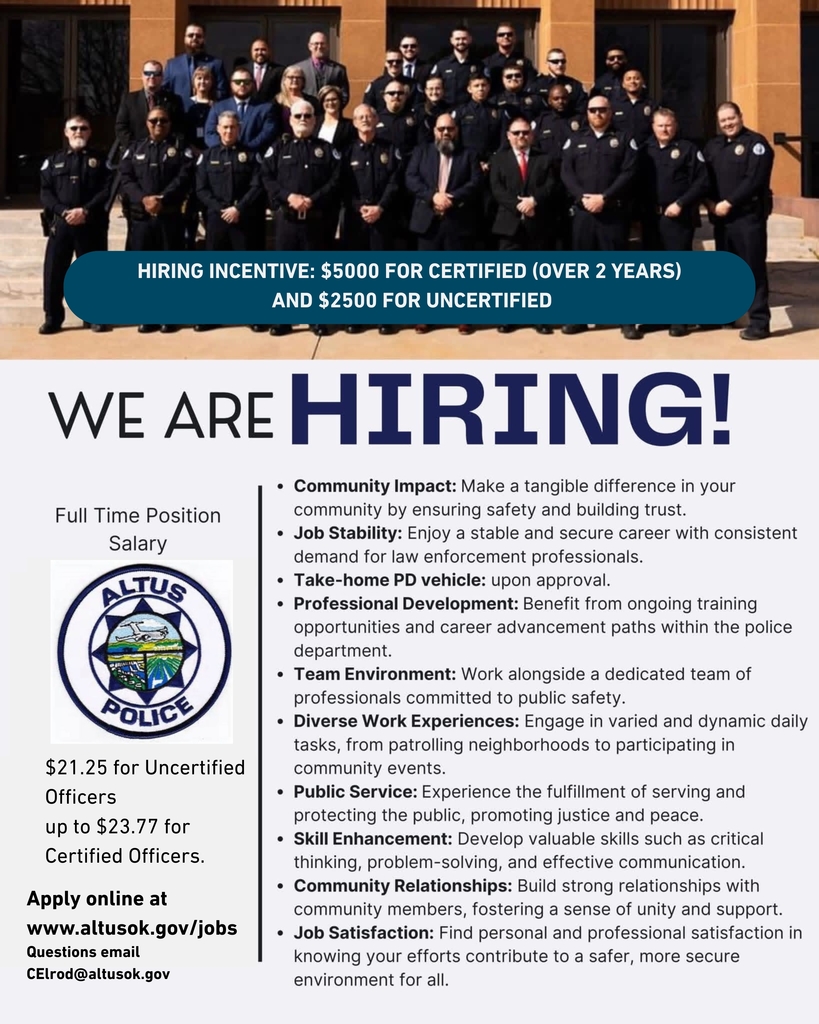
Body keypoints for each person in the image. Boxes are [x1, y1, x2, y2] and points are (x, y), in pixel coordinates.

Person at [560, 96, 641, 339]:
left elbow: (630, 172)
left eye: (602, 110)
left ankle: (625, 320)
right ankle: (579, 318)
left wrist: (604, 197)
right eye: (593, 110)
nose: (597, 114)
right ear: (587, 113)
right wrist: (582, 197)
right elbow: (566, 172)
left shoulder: (625, 139)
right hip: (584, 213)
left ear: (610, 111)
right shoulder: (575, 139)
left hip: (612, 212)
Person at [261, 100, 341, 336]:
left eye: (308, 115)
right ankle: (284, 319)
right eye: (298, 116)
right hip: (287, 219)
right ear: (290, 119)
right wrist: (288, 197)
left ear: (315, 120)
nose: (303, 119)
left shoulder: (327, 150)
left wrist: (313, 198)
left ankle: (317, 318)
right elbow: (267, 177)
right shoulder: (278, 149)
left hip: (317, 220)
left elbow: (336, 180)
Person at [119, 107, 195, 333]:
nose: (158, 124)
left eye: (163, 120)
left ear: (170, 123)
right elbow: (125, 177)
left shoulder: (181, 149)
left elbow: (185, 175)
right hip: (142, 219)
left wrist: (162, 198)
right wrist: (144, 199)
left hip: (169, 216)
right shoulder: (134, 149)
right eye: (154, 121)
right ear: (147, 123)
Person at [703, 101, 774, 340]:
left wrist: (729, 202)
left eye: (731, 118)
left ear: (740, 117)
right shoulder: (714, 147)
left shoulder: (756, 144)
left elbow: (754, 180)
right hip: (722, 218)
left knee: (752, 269)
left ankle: (759, 322)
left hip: (747, 217)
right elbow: (705, 178)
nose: (728, 124)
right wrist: (710, 203)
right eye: (723, 121)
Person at [406, 113, 482, 334]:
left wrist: (452, 198)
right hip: (427, 220)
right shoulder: (421, 152)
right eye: (441, 129)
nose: (445, 133)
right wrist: (433, 196)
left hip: (457, 219)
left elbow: (476, 181)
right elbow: (411, 178)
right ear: (434, 131)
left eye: (449, 128)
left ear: (456, 131)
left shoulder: (468, 155)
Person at [39, 115, 112, 334]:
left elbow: (106, 190)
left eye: (83, 128)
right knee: (54, 272)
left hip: (91, 223)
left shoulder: (101, 161)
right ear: (66, 132)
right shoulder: (53, 160)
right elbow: (45, 192)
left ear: (90, 132)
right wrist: (62, 211)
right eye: (74, 128)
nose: (78, 132)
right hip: (61, 224)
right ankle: (53, 317)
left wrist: (85, 210)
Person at [640, 107, 708, 337]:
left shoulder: (688, 149)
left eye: (668, 124)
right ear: (653, 127)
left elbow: (702, 181)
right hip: (651, 218)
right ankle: (656, 317)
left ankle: (680, 319)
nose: (665, 129)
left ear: (675, 125)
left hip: (678, 218)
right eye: (660, 125)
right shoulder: (644, 150)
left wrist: (681, 203)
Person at [341, 105, 404, 335]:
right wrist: (360, 208)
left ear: (376, 119)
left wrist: (381, 207)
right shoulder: (347, 152)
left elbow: (395, 182)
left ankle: (384, 317)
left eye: (369, 116)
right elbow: (343, 186)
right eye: (360, 117)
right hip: (355, 219)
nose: (365, 120)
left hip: (383, 217)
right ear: (355, 123)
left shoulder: (390, 149)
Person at [489, 118, 555, 333]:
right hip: (509, 224)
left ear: (532, 135)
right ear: (508, 135)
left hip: (538, 223)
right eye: (516, 133)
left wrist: (534, 201)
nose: (521, 137)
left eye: (525, 132)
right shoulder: (499, 159)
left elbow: (552, 185)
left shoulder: (544, 159)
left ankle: (540, 319)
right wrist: (519, 205)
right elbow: (496, 189)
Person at [531, 84, 584, 250]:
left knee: (572, 231)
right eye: (556, 99)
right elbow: (534, 152)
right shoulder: (540, 122)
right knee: (548, 231)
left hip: (574, 181)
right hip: (549, 181)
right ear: (549, 100)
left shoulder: (579, 120)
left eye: (563, 98)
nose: (560, 101)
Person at [204, 67, 278, 153]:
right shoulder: (218, 107)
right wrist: (227, 149)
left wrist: (245, 149)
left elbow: (267, 133)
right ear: (231, 84)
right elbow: (210, 134)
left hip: (253, 158)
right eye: (237, 82)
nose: (242, 84)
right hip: (224, 157)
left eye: (246, 82)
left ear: (252, 84)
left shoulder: (266, 108)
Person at [115, 61, 184, 149]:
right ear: (142, 76)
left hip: (165, 152)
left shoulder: (174, 100)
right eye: (148, 73)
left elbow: (179, 127)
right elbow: (121, 127)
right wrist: (136, 147)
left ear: (162, 77)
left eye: (156, 74)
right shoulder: (129, 100)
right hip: (135, 152)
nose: (152, 77)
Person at [164, 24, 228, 102]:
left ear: (204, 39)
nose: (194, 38)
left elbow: (222, 91)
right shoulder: (172, 64)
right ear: (185, 39)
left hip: (207, 110)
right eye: (191, 35)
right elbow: (164, 91)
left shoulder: (216, 64)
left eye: (198, 36)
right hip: (179, 112)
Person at [430, 28, 487, 107]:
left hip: (470, 112)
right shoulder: (442, 65)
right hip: (446, 110)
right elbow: (432, 87)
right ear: (451, 40)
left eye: (464, 39)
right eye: (457, 39)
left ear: (470, 39)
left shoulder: (479, 65)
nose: (461, 42)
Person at [295, 32, 349, 109]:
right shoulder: (299, 68)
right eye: (316, 44)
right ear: (310, 46)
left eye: (322, 43)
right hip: (307, 114)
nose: (319, 46)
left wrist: (333, 108)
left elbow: (344, 95)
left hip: (331, 115)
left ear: (327, 46)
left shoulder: (339, 69)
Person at [532, 49, 587, 116]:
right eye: (555, 61)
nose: (560, 64)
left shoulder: (575, 85)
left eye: (563, 61)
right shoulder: (538, 84)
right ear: (547, 63)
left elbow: (582, 109)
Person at [485, 23, 536, 96]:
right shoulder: (488, 62)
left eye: (509, 34)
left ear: (515, 38)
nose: (505, 36)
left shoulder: (525, 62)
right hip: (495, 103)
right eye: (501, 35)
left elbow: (530, 84)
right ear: (497, 39)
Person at [611, 69, 656, 148]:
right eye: (628, 79)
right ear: (623, 84)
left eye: (636, 78)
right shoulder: (614, 105)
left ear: (642, 82)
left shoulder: (652, 104)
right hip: (621, 149)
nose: (633, 81)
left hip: (646, 149)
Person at [491, 62, 543, 131]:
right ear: (503, 79)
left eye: (517, 75)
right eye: (509, 76)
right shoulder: (494, 102)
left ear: (523, 78)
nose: (514, 78)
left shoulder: (535, 99)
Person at [376, 83, 418, 158]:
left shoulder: (415, 118)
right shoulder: (376, 119)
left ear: (405, 96)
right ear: (384, 97)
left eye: (400, 93)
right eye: (391, 93)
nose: (396, 96)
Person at [276, 67, 319, 133]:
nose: (295, 80)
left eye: (298, 77)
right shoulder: (276, 102)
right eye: (291, 77)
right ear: (284, 80)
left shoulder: (312, 101)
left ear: (303, 81)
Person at [241, 38, 284, 104]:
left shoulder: (279, 70)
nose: (260, 53)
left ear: (269, 51)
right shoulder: (242, 70)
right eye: (256, 50)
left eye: (263, 50)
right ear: (251, 52)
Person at [316, 85, 356, 151]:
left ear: (340, 102)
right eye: (327, 100)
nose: (330, 103)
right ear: (322, 103)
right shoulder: (314, 123)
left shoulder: (349, 126)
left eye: (334, 99)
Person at [415, 76, 450, 145]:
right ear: (425, 91)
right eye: (431, 89)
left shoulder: (449, 110)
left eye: (438, 88)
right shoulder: (418, 111)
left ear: (443, 90)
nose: (434, 92)